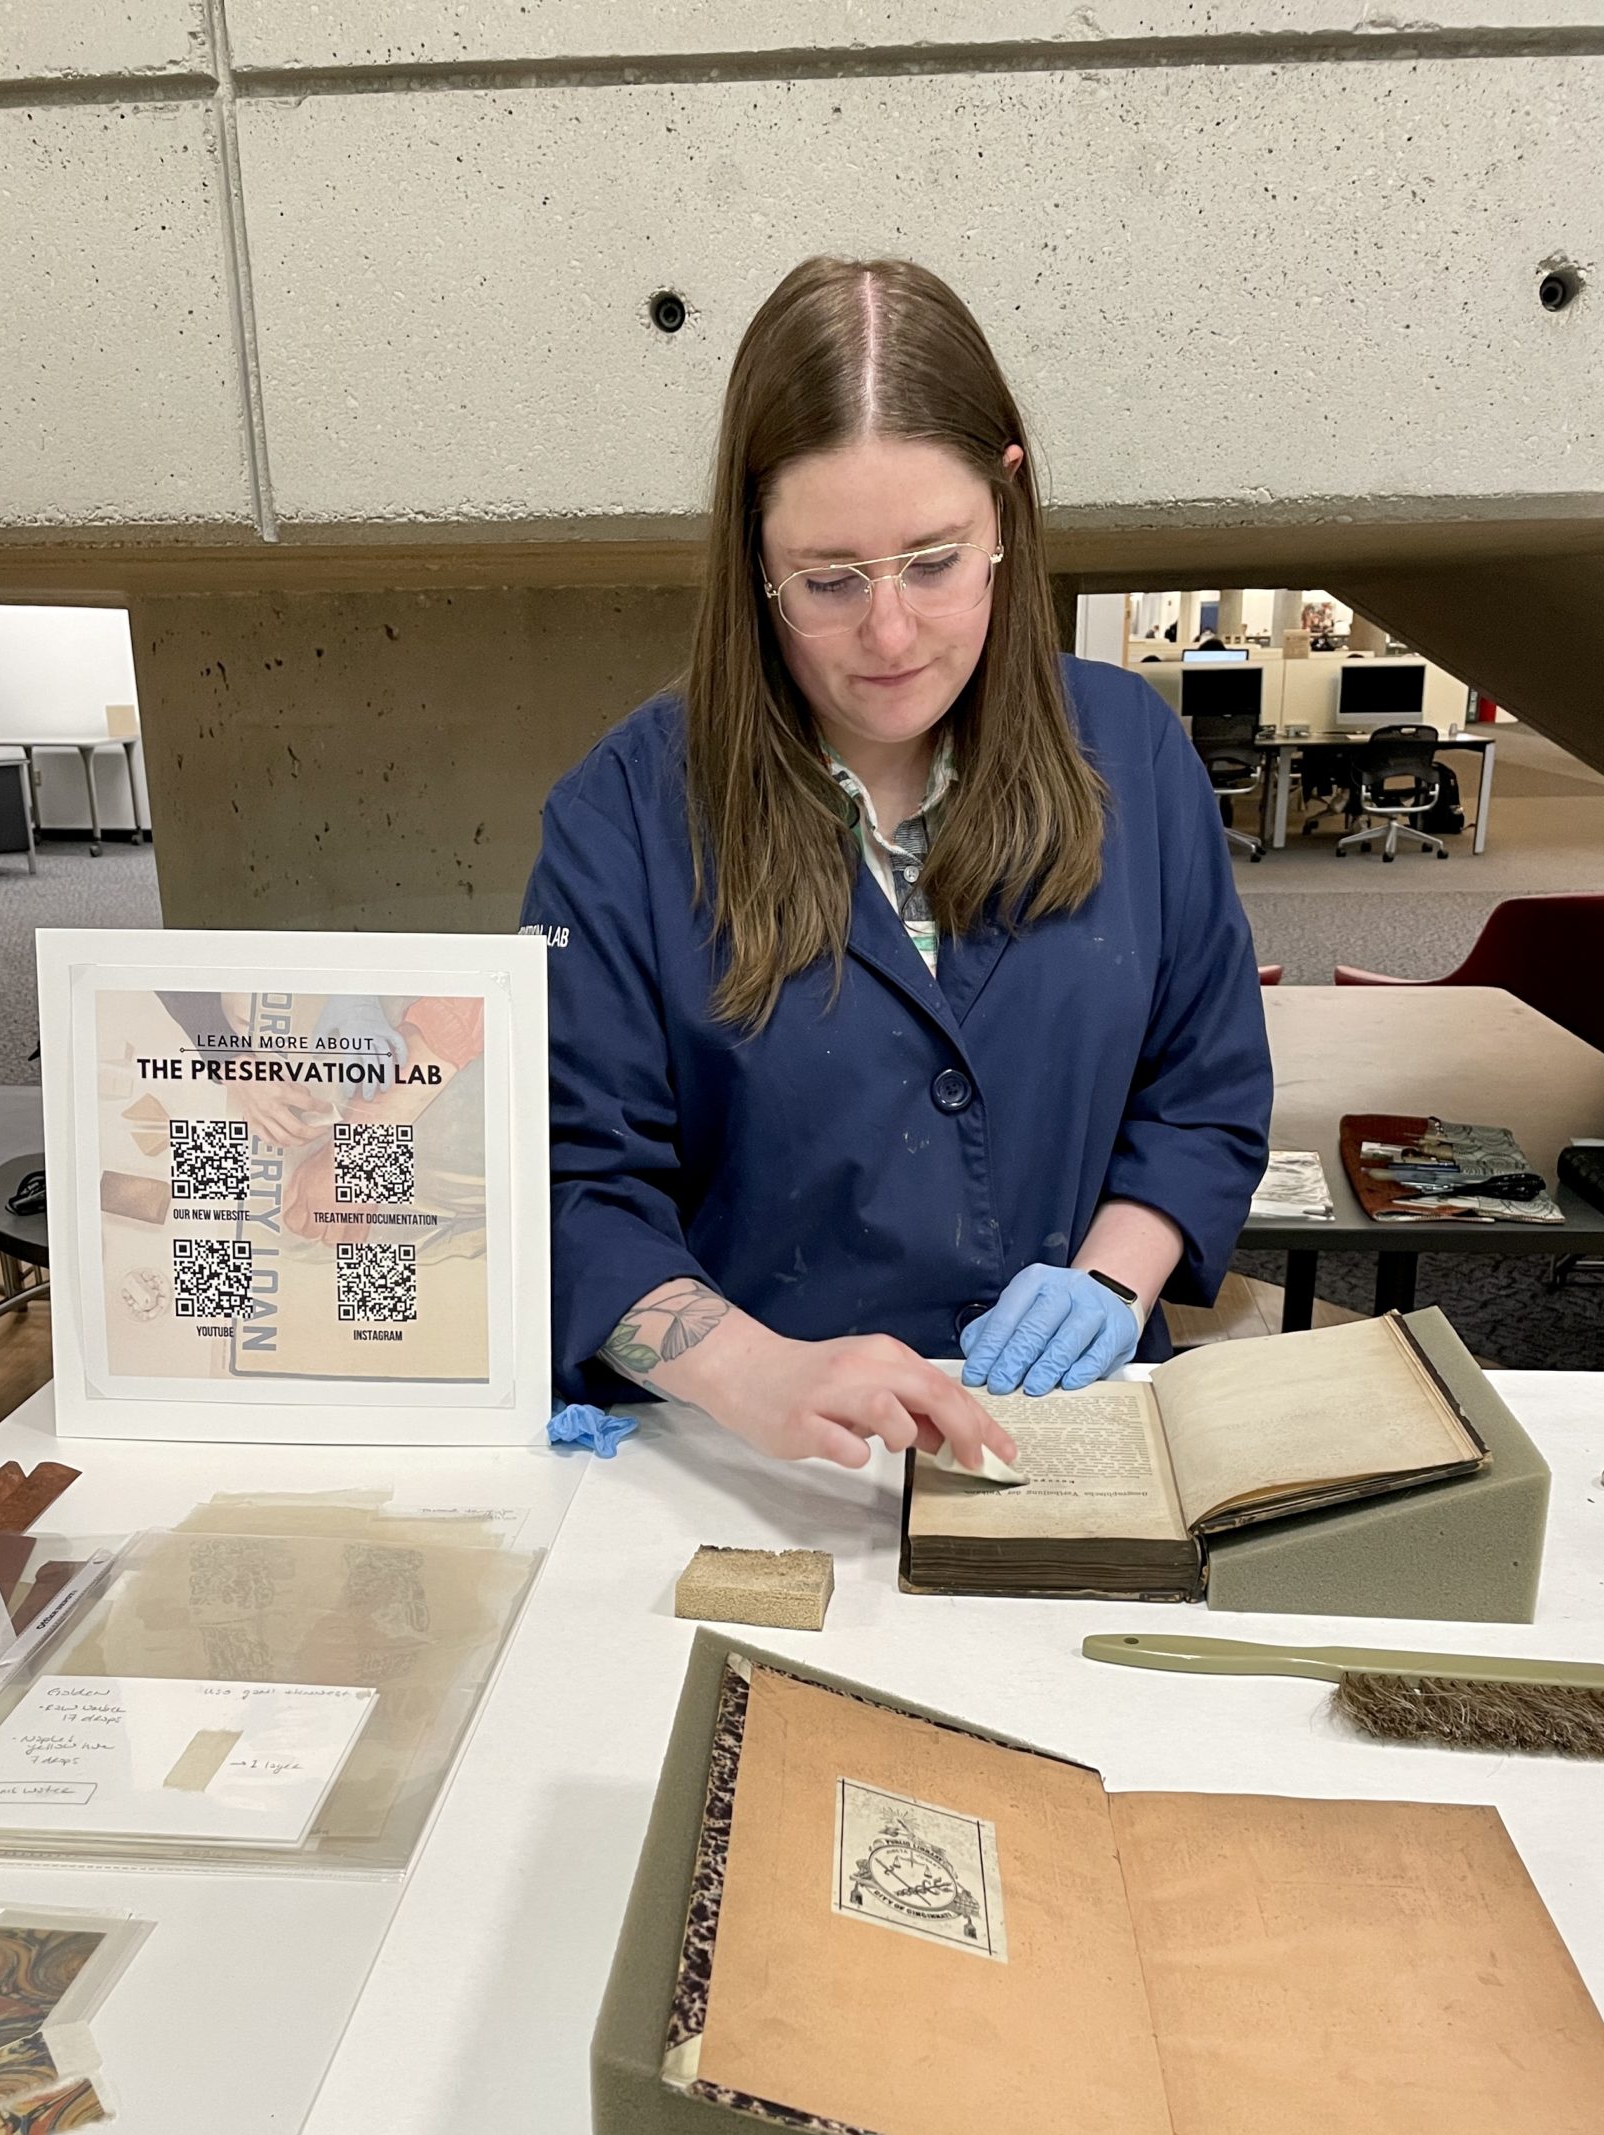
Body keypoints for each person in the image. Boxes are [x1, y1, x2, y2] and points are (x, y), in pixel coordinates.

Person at [522, 258, 1271, 1474]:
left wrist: (1112, 1283)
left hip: (1067, 1437)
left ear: (1006, 511)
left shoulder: (1131, 751)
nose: (889, 634)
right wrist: (746, 1367)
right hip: (765, 1463)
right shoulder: (623, 812)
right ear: (755, 559)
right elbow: (573, 1180)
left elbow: (1201, 1098)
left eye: (934, 562)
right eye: (827, 582)